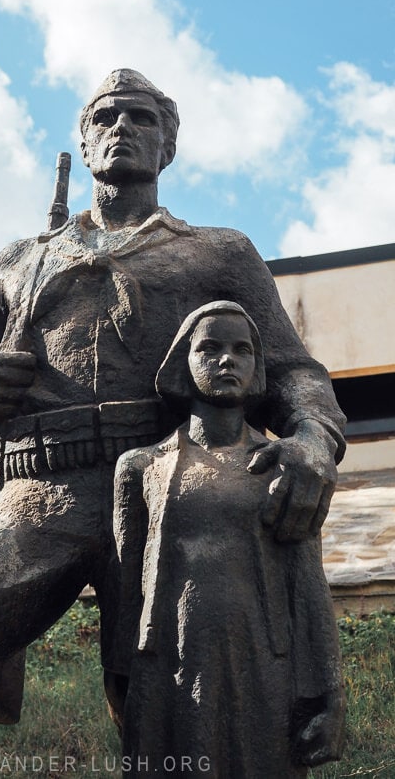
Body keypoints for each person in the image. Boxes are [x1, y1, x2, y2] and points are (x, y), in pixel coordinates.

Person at [0, 70, 345, 778]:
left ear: (167, 145)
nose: (123, 127)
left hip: (166, 493)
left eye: (141, 117)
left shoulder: (218, 253)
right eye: (106, 116)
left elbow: (293, 370)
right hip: (40, 496)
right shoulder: (20, 262)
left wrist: (314, 441)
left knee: (163, 715)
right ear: (84, 138)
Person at [113, 301, 346, 778]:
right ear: (184, 360)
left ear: (257, 367)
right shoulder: (139, 468)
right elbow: (125, 587)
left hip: (262, 666)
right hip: (167, 667)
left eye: (243, 350)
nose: (227, 360)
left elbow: (307, 586)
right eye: (210, 347)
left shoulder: (284, 467)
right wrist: (119, 677)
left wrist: (329, 693)